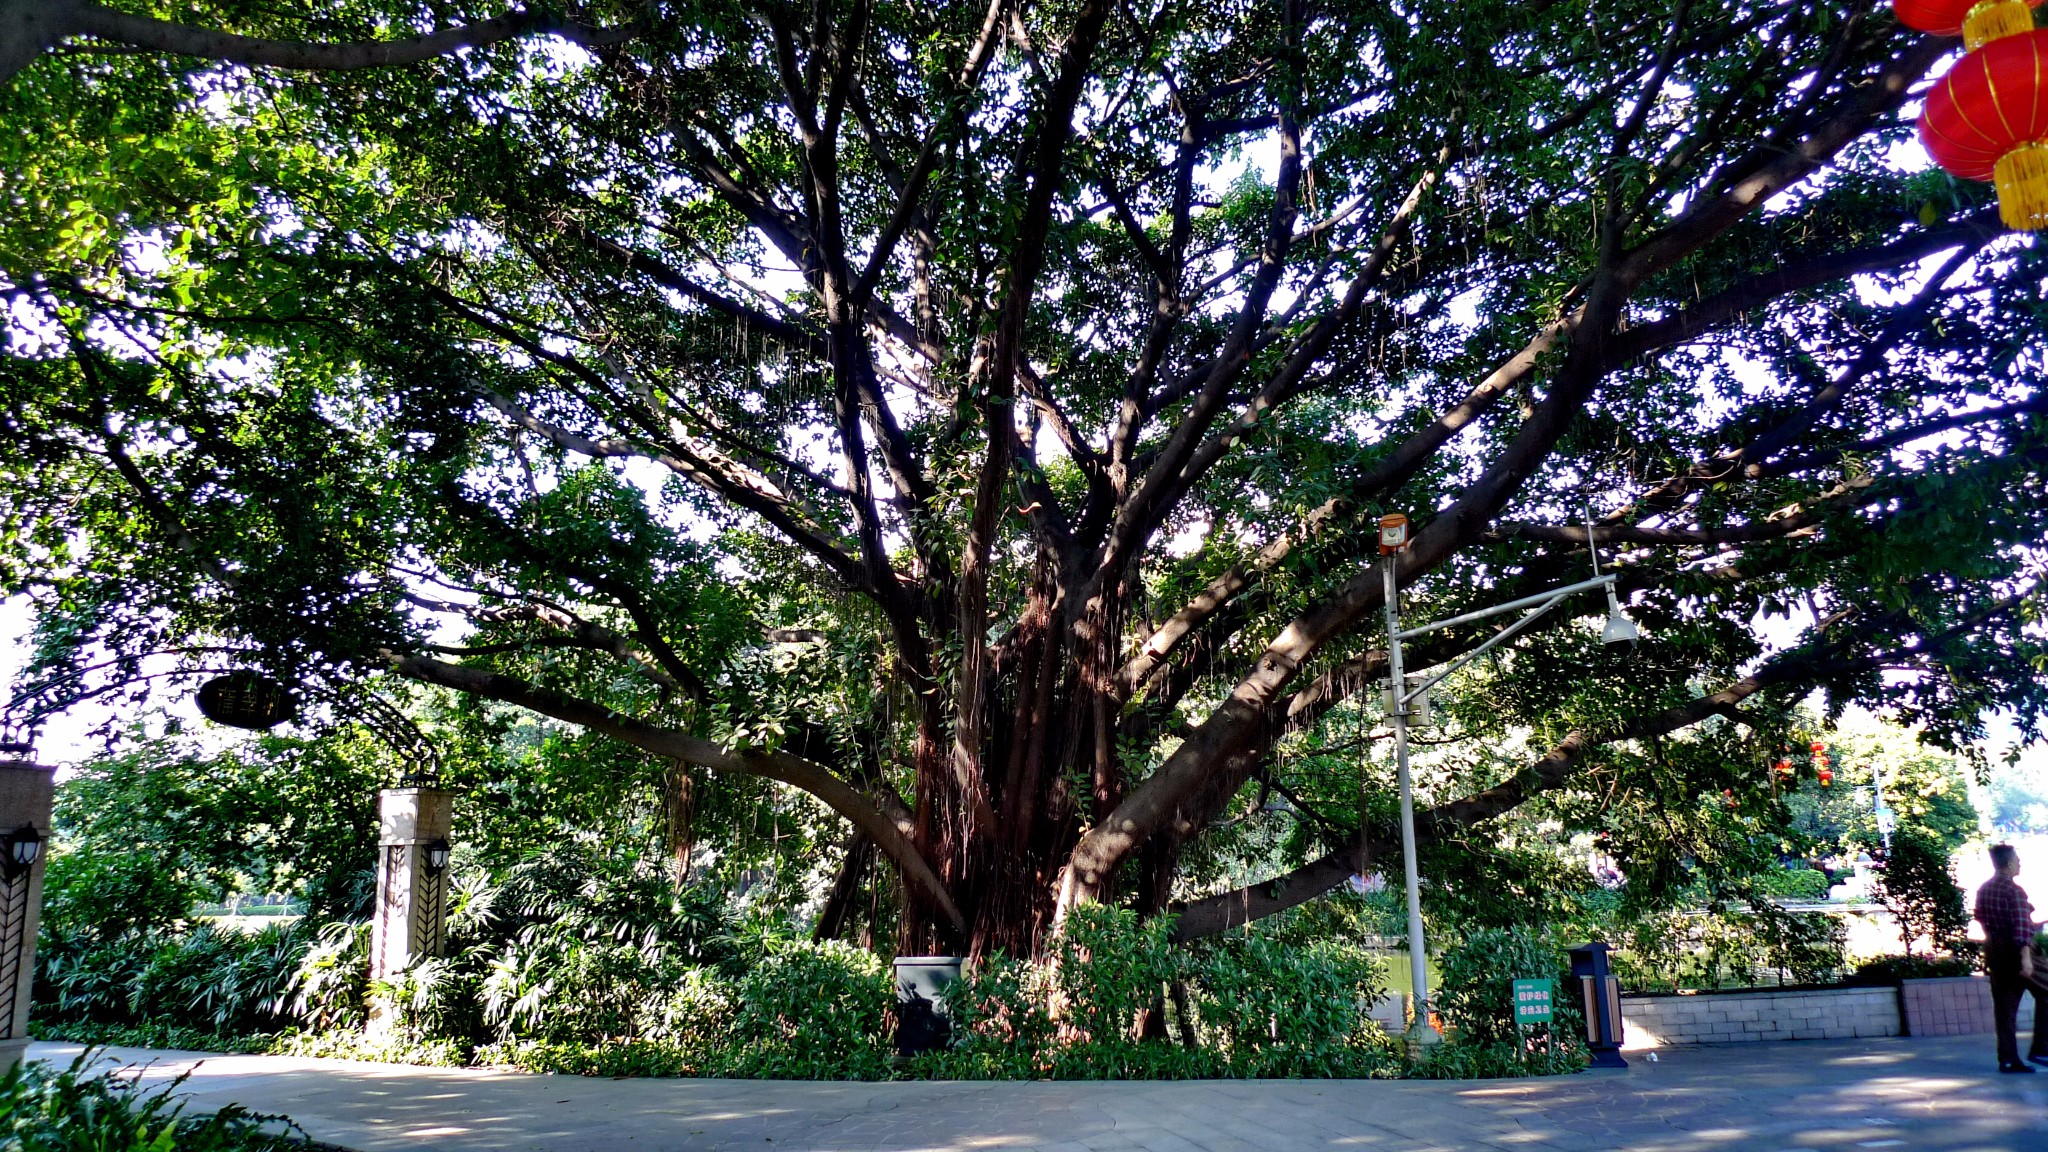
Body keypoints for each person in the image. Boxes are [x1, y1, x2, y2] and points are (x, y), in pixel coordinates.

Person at [1975, 843, 2048, 1073]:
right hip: (2018, 951)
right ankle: (2042, 1049)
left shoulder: (1983, 889)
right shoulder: (2014, 891)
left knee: (2005, 1007)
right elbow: (2020, 929)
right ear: (2008, 863)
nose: (2020, 863)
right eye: (2017, 859)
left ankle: (2008, 1059)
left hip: (1995, 950)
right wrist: (2026, 958)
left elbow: (1981, 917)